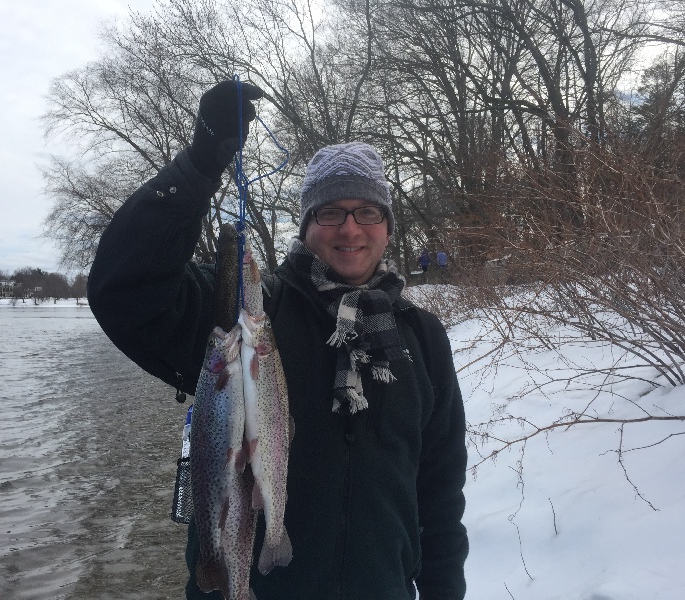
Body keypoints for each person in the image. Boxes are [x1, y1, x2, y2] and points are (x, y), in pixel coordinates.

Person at [87, 81, 468, 600]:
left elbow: (439, 493)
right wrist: (197, 168)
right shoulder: (246, 315)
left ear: (386, 226)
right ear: (308, 225)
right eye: (331, 212)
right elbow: (125, 291)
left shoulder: (422, 338)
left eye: (368, 212)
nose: (350, 228)